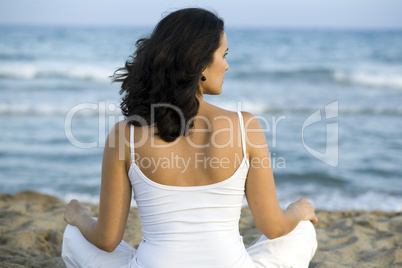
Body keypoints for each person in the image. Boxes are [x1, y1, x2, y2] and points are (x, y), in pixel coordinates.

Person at [62, 7, 318, 268]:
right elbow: (273, 227)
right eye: (223, 55)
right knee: (302, 230)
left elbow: (107, 240)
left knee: (73, 235)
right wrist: (299, 210)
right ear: (200, 63)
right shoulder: (245, 126)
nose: (227, 65)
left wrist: (80, 216)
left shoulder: (125, 134)